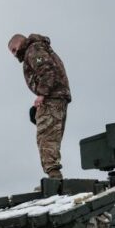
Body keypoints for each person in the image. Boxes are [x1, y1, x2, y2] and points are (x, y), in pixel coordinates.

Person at [7, 33, 72, 179]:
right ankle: (54, 176)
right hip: (56, 97)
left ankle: (54, 178)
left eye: (13, 49)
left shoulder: (33, 49)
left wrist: (42, 94)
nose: (14, 54)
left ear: (20, 43)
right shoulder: (38, 48)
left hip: (52, 98)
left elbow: (47, 70)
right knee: (50, 136)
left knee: (46, 137)